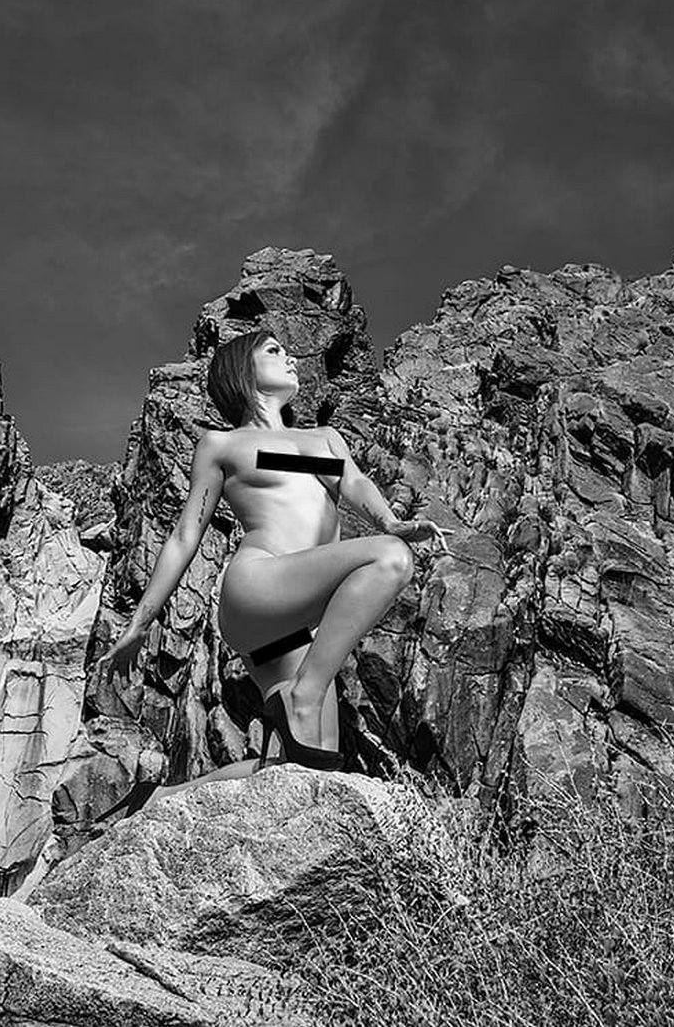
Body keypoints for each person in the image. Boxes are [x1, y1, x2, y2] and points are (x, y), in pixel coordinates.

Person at [97, 329, 451, 811]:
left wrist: (391, 520)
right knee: (390, 558)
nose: (289, 357)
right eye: (273, 350)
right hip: (258, 588)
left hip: (294, 628)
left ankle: (160, 798)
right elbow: (184, 536)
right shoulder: (223, 445)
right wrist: (140, 624)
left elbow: (355, 483)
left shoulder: (325, 439)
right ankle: (305, 693)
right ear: (243, 370)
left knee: (308, 768)